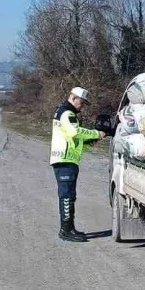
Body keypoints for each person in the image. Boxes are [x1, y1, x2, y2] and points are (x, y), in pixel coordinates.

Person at [50, 87, 105, 242]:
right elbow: (75, 132)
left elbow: (73, 139)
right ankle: (65, 230)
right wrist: (96, 133)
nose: (83, 106)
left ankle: (69, 228)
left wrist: (90, 142)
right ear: (73, 98)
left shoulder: (65, 113)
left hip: (68, 160)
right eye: (82, 102)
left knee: (70, 196)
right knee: (66, 196)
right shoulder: (67, 113)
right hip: (64, 161)